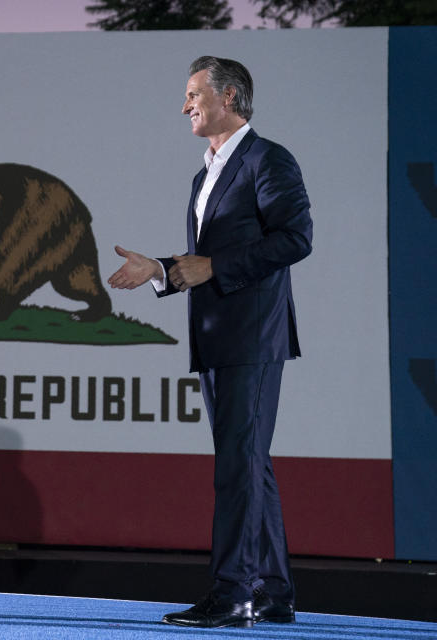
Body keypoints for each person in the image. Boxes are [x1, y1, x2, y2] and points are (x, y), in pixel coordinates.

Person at [108, 56, 312, 628]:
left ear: (230, 97)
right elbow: (200, 264)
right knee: (250, 465)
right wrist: (159, 269)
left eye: (194, 93)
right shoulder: (206, 174)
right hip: (216, 338)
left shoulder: (268, 159)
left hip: (252, 337)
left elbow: (296, 238)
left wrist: (211, 266)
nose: (185, 105)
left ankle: (232, 594)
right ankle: (272, 591)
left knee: (238, 466)